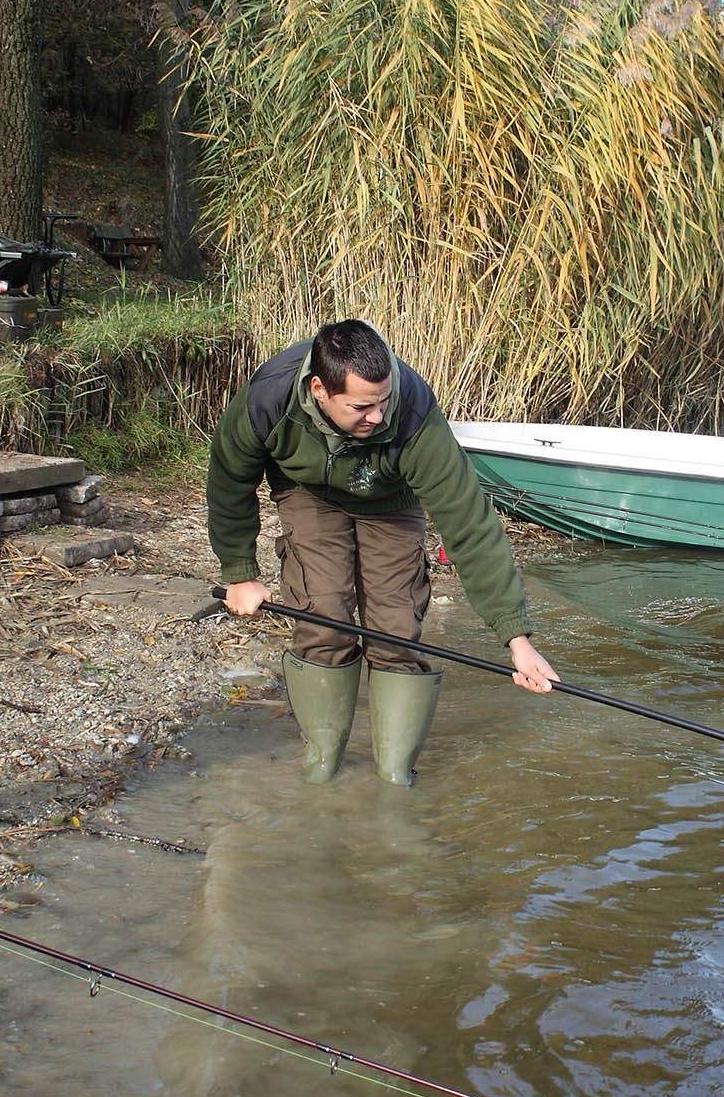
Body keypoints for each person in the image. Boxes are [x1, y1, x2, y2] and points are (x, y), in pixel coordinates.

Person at [208, 319, 559, 786]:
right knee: (323, 614)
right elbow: (230, 481)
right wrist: (239, 571)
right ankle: (322, 765)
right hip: (307, 490)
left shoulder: (413, 413)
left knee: (395, 631)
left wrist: (516, 639)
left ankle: (396, 778)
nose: (376, 416)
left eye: (383, 401)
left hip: (390, 502)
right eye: (361, 406)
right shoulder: (268, 397)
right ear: (319, 390)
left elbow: (469, 525)